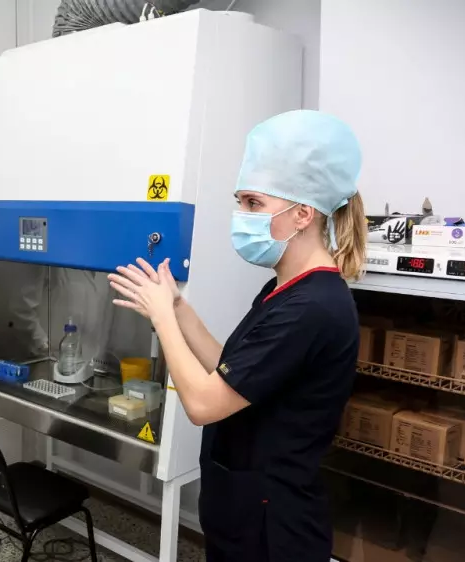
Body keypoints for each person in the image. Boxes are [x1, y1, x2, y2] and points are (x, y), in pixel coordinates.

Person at [108, 110, 366, 562]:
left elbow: (203, 404)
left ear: (302, 213)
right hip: (244, 508)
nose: (240, 215)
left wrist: (162, 319)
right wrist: (178, 309)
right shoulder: (285, 289)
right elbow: (232, 369)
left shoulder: (312, 308)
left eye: (252, 203)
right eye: (240, 202)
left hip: (273, 529)